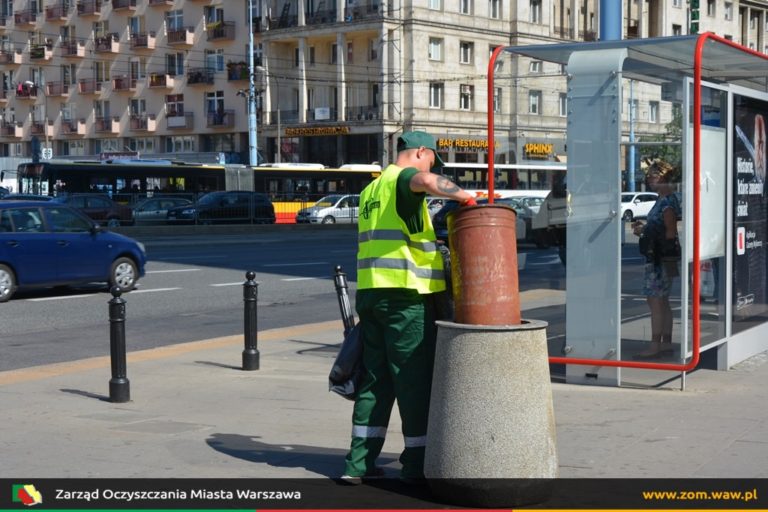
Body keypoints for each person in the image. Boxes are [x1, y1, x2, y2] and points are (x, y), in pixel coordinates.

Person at [342, 131, 476, 483]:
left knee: (376, 380)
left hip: (371, 294)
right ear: (421, 152)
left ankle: (359, 464)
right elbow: (425, 180)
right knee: (412, 381)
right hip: (404, 296)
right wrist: (466, 198)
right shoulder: (403, 179)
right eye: (433, 158)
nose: (433, 165)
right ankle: (416, 464)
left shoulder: (371, 190)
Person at [631, 160, 682, 359]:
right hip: (663, 257)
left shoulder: (667, 202)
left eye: (652, 176)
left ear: (662, 177)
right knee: (663, 301)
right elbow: (664, 230)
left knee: (655, 301)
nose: (649, 180)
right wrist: (645, 230)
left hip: (659, 259)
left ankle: (655, 345)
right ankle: (666, 343)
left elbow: (670, 232)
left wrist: (646, 232)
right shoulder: (666, 200)